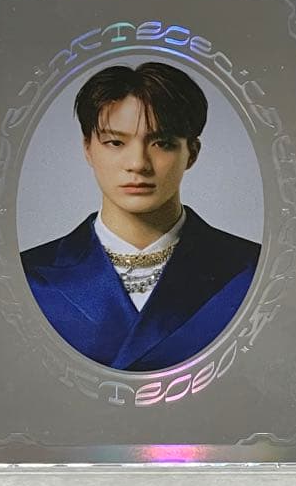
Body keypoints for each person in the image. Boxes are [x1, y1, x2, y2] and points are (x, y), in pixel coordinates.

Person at [20, 62, 260, 371]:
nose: (138, 163)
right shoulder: (28, 275)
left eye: (162, 143)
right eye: (115, 143)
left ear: (192, 152)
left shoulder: (251, 271)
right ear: (88, 149)